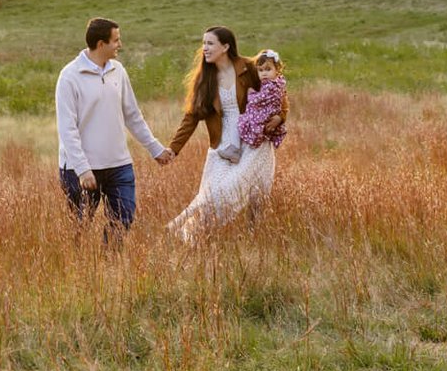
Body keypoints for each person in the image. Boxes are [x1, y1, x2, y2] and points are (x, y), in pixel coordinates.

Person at [55, 16, 172, 237]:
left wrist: (155, 148)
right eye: (116, 40)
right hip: (81, 169)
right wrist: (82, 168)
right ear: (101, 44)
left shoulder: (118, 71)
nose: (120, 45)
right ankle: (82, 268)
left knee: (123, 219)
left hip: (119, 165)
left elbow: (133, 115)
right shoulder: (69, 77)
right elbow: (67, 128)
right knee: (79, 228)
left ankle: (110, 264)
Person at [166, 26, 281, 243]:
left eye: (210, 43)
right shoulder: (205, 78)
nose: (204, 48)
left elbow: (276, 90)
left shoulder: (249, 68)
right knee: (214, 196)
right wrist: (173, 149)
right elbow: (191, 117)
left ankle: (252, 239)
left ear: (225, 47)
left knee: (252, 194)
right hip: (222, 144)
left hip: (252, 140)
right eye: (203, 43)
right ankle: (191, 235)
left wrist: (279, 117)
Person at [237, 49, 289, 151]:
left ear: (277, 69)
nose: (264, 73)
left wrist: (280, 117)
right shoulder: (257, 84)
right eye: (260, 70)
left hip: (268, 118)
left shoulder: (276, 86)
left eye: (268, 69)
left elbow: (283, 104)